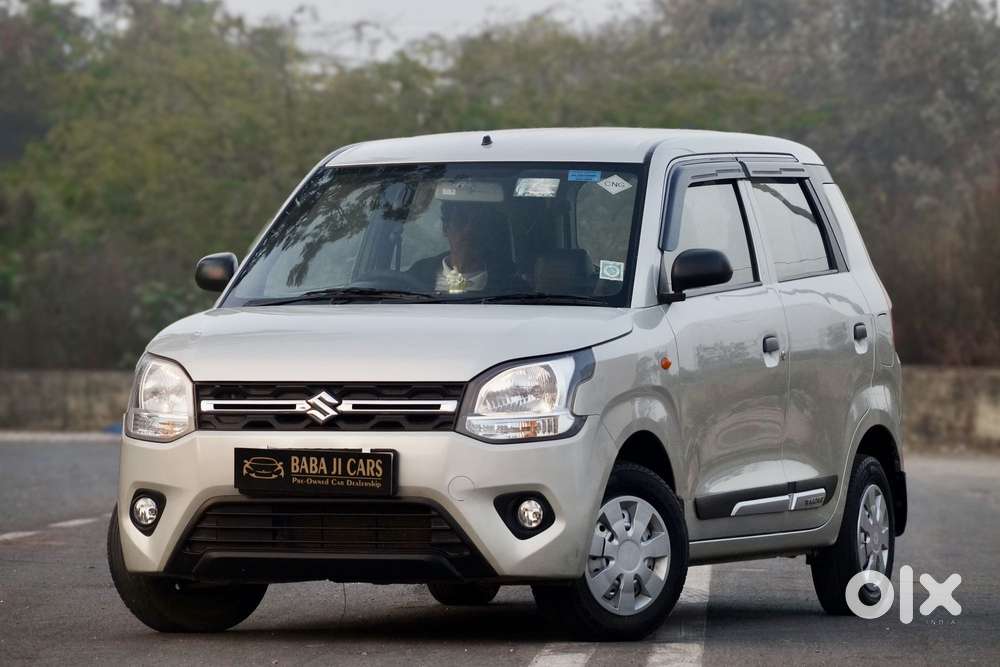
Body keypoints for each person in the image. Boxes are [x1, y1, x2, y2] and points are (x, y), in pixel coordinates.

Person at [408, 201, 499, 293]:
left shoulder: (508, 280)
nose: (469, 230)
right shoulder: (417, 275)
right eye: (461, 221)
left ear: (486, 231)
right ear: (445, 228)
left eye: (478, 224)